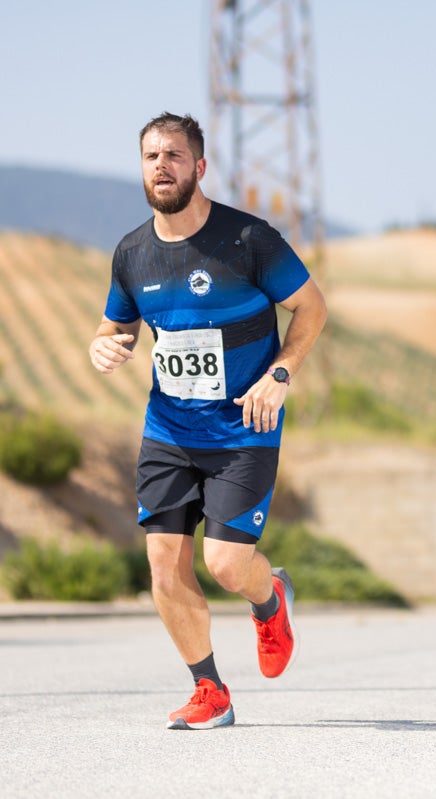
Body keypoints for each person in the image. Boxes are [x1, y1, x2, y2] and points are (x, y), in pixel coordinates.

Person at [88, 112, 327, 729]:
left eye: (173, 155)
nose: (161, 166)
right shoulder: (133, 253)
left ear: (199, 167)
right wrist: (103, 345)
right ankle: (210, 691)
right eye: (150, 156)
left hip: (245, 428)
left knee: (224, 564)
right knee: (164, 563)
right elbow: (116, 326)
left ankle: (269, 596)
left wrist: (280, 373)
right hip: (169, 429)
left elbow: (310, 306)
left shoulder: (249, 240)